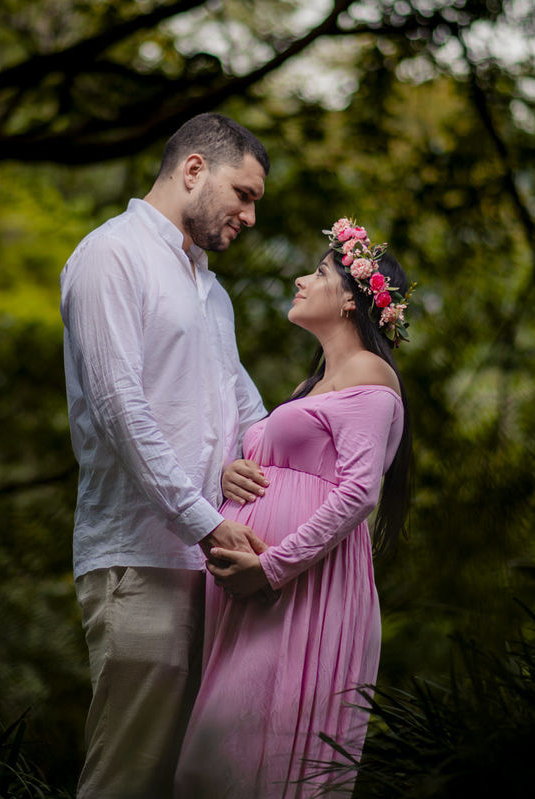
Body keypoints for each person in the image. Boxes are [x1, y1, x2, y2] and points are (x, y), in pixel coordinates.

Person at [60, 113, 272, 799]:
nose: (248, 215)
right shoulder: (110, 255)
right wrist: (206, 520)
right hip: (140, 561)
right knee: (127, 780)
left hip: (208, 571)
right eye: (243, 194)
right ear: (192, 171)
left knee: (191, 782)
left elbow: (246, 411)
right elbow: (123, 410)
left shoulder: (211, 290)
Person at [173, 218, 415, 799]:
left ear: (353, 302)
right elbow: (277, 464)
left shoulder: (369, 375)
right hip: (260, 600)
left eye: (321, 272)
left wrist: (272, 567)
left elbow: (358, 492)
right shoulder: (315, 386)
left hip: (302, 593)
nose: (303, 281)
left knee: (239, 757)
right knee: (217, 762)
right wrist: (231, 469)